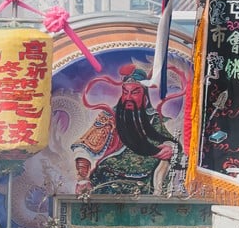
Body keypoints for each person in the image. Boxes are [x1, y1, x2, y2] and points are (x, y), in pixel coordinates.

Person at [72, 65, 178, 195]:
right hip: (109, 182)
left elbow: (173, 142)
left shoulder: (154, 119)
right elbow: (84, 147)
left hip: (145, 185)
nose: (128, 98)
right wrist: (83, 179)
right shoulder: (110, 117)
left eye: (134, 92)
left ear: (144, 94)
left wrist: (170, 148)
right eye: (125, 92)